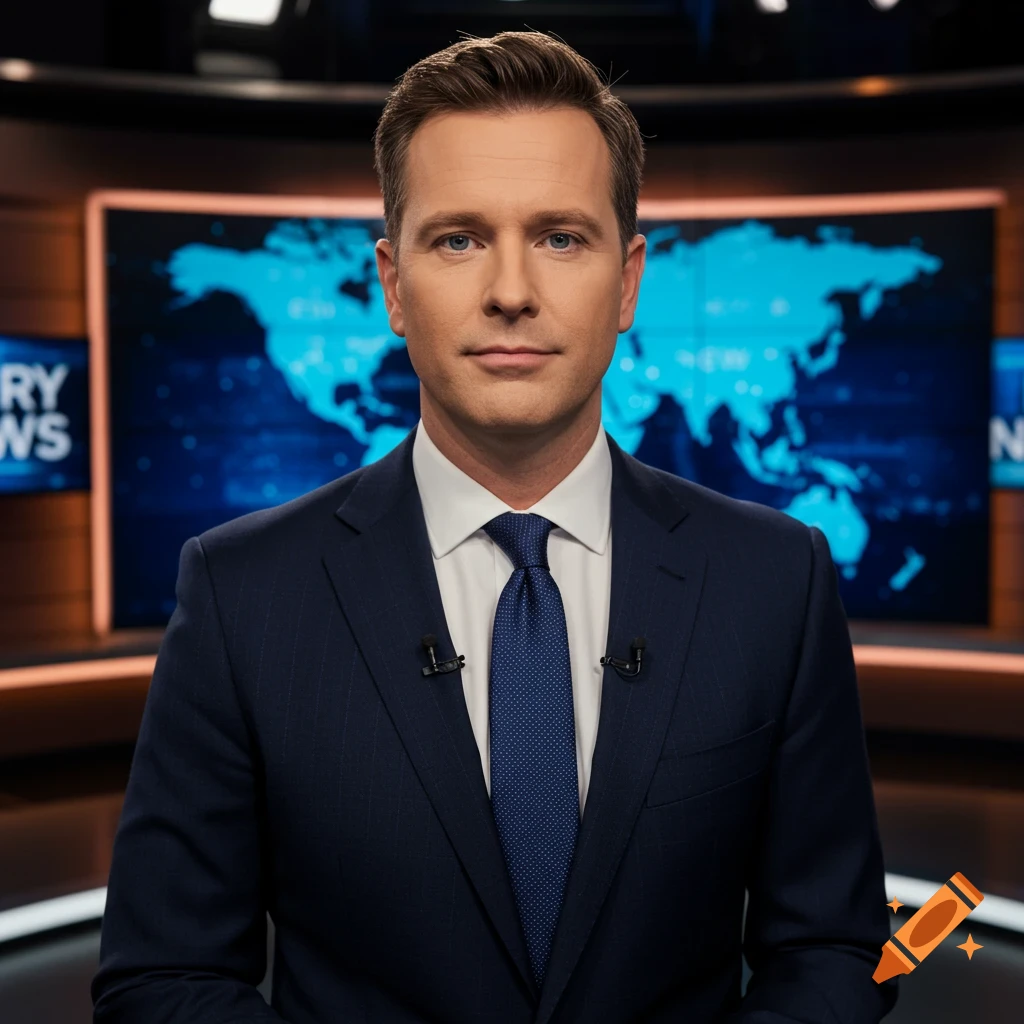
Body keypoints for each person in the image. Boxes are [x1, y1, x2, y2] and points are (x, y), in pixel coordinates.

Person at [92, 30, 897, 1024]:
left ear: (629, 280)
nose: (511, 291)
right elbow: (161, 979)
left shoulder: (775, 579)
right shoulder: (241, 593)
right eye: (458, 238)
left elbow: (826, 947)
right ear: (391, 282)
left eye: (560, 237)